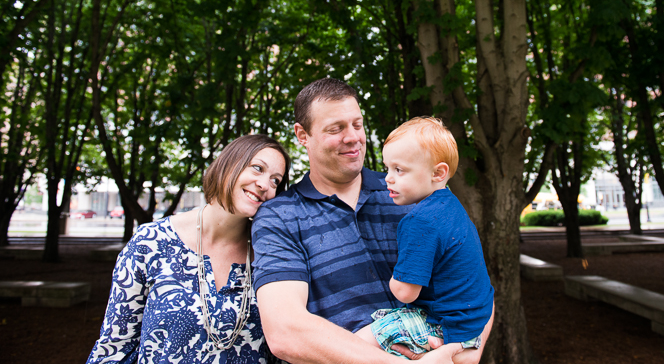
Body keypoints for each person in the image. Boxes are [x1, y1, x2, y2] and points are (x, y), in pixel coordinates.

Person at [252, 78, 494, 364]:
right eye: (336, 128)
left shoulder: (414, 194)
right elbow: (286, 333)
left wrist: (466, 353)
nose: (353, 137)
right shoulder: (280, 216)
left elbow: (471, 280)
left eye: (357, 124)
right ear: (302, 135)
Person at [87, 134, 290, 364]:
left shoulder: (271, 253)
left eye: (275, 180)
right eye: (257, 168)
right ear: (228, 165)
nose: (265, 185)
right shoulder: (150, 243)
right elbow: (114, 348)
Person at [355, 117, 494, 357]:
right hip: (473, 321)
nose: (388, 177)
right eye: (388, 168)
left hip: (445, 326)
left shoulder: (420, 221)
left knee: (356, 344)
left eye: (399, 170)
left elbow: (406, 292)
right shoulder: (451, 205)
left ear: (438, 173)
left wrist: (394, 281)